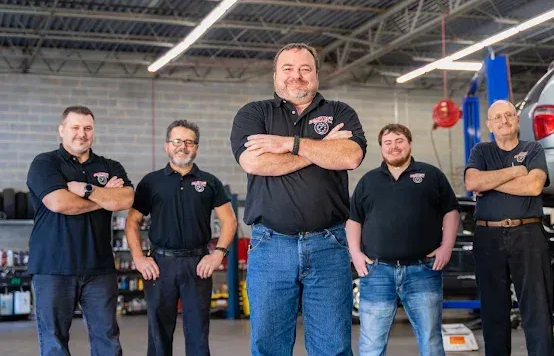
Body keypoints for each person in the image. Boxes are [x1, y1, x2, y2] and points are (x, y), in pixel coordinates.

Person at [230, 42, 367, 356]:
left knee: (333, 347)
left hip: (328, 245)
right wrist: (319, 150)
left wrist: (285, 144)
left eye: (305, 69)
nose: (297, 76)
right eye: (288, 69)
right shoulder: (254, 113)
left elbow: (350, 157)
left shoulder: (340, 112)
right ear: (276, 75)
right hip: (270, 245)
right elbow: (254, 163)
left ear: (317, 75)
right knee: (269, 347)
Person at [26, 105, 134, 356]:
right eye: (75, 127)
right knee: (54, 341)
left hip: (99, 269)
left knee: (107, 339)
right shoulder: (45, 163)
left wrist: (85, 190)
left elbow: (126, 199)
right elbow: (59, 203)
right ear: (61, 130)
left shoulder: (109, 166)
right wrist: (106, 197)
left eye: (87, 128)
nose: (81, 133)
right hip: (53, 268)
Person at [126, 120, 237, 356]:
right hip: (159, 266)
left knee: (198, 332)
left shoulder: (210, 182)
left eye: (189, 142)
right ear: (167, 146)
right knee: (158, 333)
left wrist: (218, 253)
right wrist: (138, 258)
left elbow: (230, 220)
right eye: (177, 141)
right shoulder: (151, 182)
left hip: (198, 265)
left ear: (196, 147)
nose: (183, 146)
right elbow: (132, 221)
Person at [347, 123, 460, 356]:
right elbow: (353, 219)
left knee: (430, 339)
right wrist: (355, 254)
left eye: (399, 140)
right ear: (381, 148)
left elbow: (451, 211)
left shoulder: (431, 175)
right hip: (377, 272)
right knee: (371, 342)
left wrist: (446, 247)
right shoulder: (368, 181)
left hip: (423, 271)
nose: (394, 146)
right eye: (387, 142)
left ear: (409, 143)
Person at [464, 100, 554, 356]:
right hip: (488, 237)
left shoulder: (533, 148)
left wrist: (489, 181)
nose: (503, 121)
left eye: (508, 115)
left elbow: (533, 187)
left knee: (537, 308)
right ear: (489, 124)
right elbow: (472, 182)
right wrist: (515, 171)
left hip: (528, 234)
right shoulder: (481, 150)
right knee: (493, 310)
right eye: (497, 117)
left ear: (516, 119)